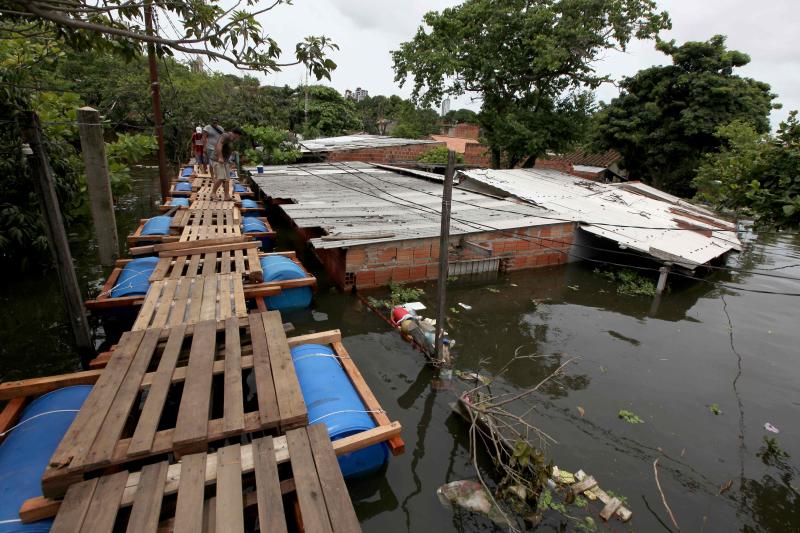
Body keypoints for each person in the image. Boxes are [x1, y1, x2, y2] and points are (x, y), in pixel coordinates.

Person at [210, 127, 245, 201]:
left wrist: (233, 153)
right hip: (218, 160)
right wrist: (220, 157)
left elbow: (226, 148)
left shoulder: (231, 139)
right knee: (221, 177)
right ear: (236, 134)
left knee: (227, 179)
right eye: (239, 137)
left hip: (225, 161)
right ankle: (213, 193)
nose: (238, 138)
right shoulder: (225, 136)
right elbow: (219, 145)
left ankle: (227, 196)